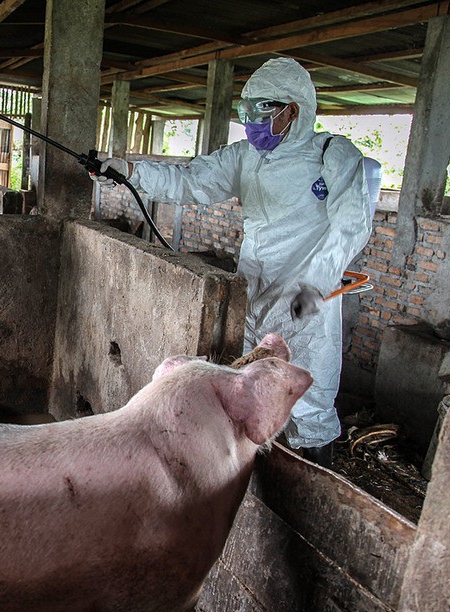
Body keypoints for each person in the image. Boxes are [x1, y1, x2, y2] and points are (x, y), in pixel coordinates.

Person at [92, 57, 374, 466]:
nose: (250, 123)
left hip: (305, 301)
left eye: (260, 111)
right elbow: (190, 180)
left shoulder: (332, 154)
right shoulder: (246, 157)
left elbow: (351, 223)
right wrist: (130, 172)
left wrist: (316, 283)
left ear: (291, 110)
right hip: (253, 289)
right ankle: (247, 476)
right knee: (247, 387)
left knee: (307, 400)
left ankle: (311, 480)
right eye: (245, 112)